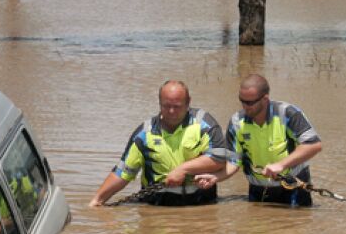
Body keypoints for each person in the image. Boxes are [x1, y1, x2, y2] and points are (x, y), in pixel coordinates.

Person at [89, 80, 227, 207]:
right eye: (166, 106)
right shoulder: (144, 134)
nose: (171, 111)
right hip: (157, 206)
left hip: (202, 204)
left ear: (188, 102)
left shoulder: (204, 125)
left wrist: (183, 170)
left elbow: (219, 159)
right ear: (159, 103)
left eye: (177, 106)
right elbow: (123, 173)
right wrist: (97, 201)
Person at [196, 74, 322, 207]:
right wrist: (215, 177)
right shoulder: (237, 122)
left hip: (293, 187)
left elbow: (313, 145)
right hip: (258, 190)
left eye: (250, 102)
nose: (245, 106)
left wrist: (281, 165)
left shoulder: (288, 114)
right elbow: (234, 162)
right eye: (242, 101)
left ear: (265, 99)